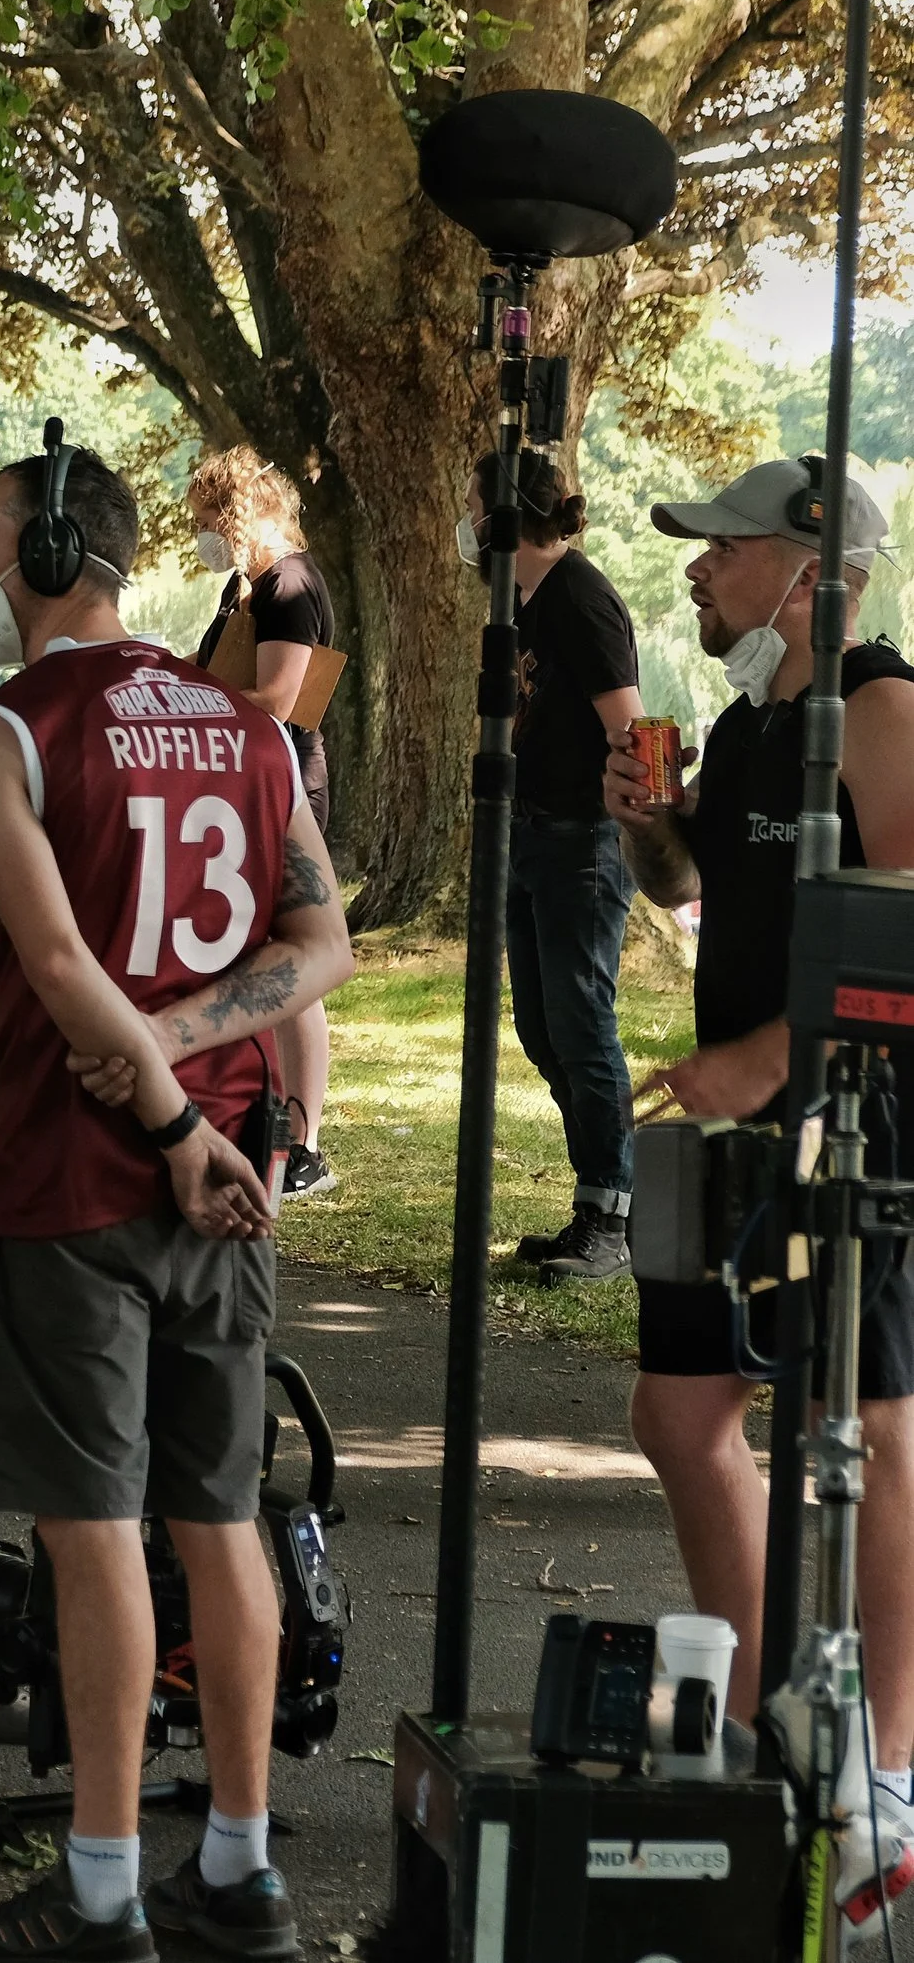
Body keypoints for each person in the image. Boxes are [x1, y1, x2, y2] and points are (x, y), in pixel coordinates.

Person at [0, 444, 352, 1963]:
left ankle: (101, 1888)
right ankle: (238, 1868)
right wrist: (206, 1084)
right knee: (219, 1513)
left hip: (81, 1179)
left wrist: (158, 1103)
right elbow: (326, 946)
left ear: (44, 551)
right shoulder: (248, 724)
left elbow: (51, 962)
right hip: (227, 1177)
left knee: (93, 1526)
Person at [606, 456, 914, 1885]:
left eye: (721, 547)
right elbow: (688, 888)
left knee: (879, 1429)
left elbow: (907, 927)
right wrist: (641, 822)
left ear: (810, 571)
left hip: (856, 1112)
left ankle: (891, 1768)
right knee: (682, 1407)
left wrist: (771, 1060)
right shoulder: (748, 722)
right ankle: (755, 1699)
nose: (698, 570)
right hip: (733, 1114)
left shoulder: (885, 709)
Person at [454, 452, 647, 1283]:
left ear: (502, 516)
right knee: (539, 1027)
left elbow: (640, 730)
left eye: (471, 506)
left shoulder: (580, 597)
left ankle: (615, 1212)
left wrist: (656, 843)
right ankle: (602, 1196)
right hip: (528, 839)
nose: (462, 523)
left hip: (582, 843)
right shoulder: (524, 601)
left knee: (580, 1022)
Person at [187, 447, 340, 1198]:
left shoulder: (290, 585)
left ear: (239, 512)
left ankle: (306, 1139)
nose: (202, 535)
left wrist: (199, 704)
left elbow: (278, 696)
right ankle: (272, 1116)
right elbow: (210, 665)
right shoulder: (244, 587)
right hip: (241, 789)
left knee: (294, 964)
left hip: (283, 792)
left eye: (208, 521)